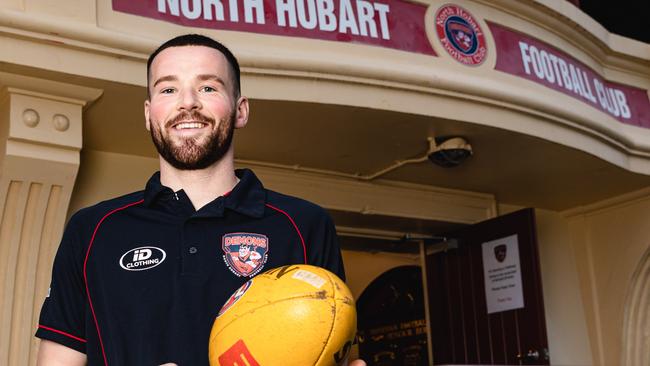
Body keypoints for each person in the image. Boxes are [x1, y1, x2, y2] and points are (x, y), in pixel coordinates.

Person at [35, 34, 365, 366]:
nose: (188, 102)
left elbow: (329, 345)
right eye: (168, 89)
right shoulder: (92, 229)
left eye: (208, 87)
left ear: (240, 110)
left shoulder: (305, 225)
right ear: (149, 115)